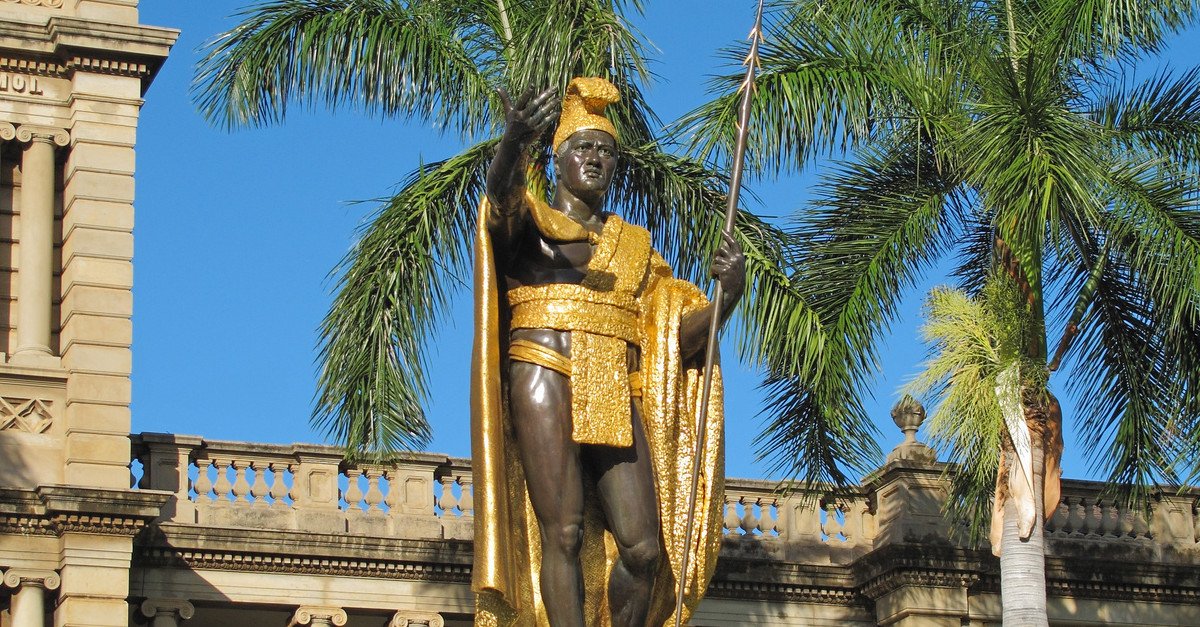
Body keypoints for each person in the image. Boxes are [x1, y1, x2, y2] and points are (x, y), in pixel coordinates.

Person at [470, 77, 744, 627]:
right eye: (583, 147)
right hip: (543, 368)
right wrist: (513, 141)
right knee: (564, 531)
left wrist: (726, 299)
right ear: (558, 159)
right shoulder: (531, 225)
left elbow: (675, 339)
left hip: (615, 383)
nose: (595, 158)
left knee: (644, 550)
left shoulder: (635, 248)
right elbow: (500, 201)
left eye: (606, 151)